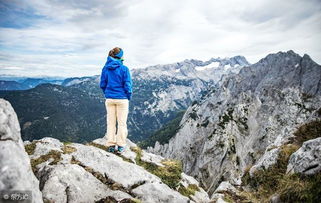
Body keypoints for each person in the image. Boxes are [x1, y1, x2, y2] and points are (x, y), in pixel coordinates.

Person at [100, 47, 132, 153]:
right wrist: (128, 96)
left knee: (111, 123)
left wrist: (107, 94)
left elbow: (102, 84)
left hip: (109, 99)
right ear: (120, 56)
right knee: (122, 123)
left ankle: (111, 145)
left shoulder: (105, 68)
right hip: (122, 99)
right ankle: (121, 146)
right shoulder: (124, 69)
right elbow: (127, 85)